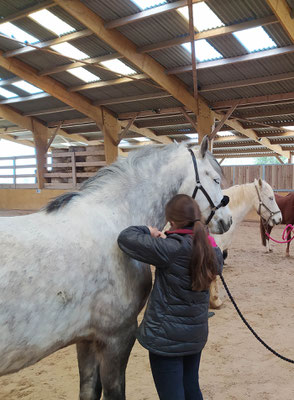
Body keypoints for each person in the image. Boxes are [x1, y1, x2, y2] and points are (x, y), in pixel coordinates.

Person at [117, 194, 223, 400]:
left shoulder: (170, 248)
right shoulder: (210, 249)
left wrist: (149, 231)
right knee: (192, 388)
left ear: (172, 222)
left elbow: (125, 238)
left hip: (166, 340)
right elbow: (207, 251)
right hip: (195, 336)